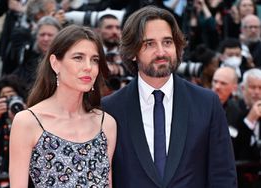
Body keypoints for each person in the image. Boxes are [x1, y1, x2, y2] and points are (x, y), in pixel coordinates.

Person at [102, 5, 237, 188]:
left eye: (167, 42)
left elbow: (223, 176)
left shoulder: (207, 103)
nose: (161, 52)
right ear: (132, 52)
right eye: (149, 44)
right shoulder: (110, 109)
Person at [9, 25, 117, 187]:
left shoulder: (106, 124)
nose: (88, 67)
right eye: (78, 57)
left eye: (94, 60)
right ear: (55, 63)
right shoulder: (28, 122)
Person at [233, 68, 261, 161]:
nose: (257, 92)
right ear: (243, 88)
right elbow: (232, 146)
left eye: (260, 88)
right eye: (252, 87)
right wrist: (249, 121)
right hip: (240, 169)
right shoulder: (234, 109)